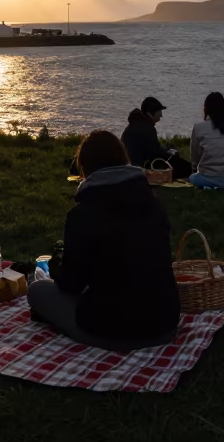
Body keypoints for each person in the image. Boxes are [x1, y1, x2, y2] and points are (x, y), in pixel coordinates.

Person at [27, 130, 180, 351]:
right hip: (165, 322)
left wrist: (56, 265)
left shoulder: (83, 214)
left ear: (86, 168)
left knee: (38, 290)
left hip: (112, 330)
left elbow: (72, 285)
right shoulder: (154, 203)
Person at [121, 96, 193, 179]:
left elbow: (152, 148)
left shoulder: (137, 125)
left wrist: (166, 149)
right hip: (138, 169)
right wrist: (170, 154)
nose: (161, 115)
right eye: (159, 112)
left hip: (129, 166)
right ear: (149, 113)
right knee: (182, 165)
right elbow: (155, 154)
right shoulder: (146, 128)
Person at [188, 92, 224, 189]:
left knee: (192, 178)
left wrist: (195, 169)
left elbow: (195, 158)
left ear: (206, 108)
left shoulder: (199, 127)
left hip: (208, 179)